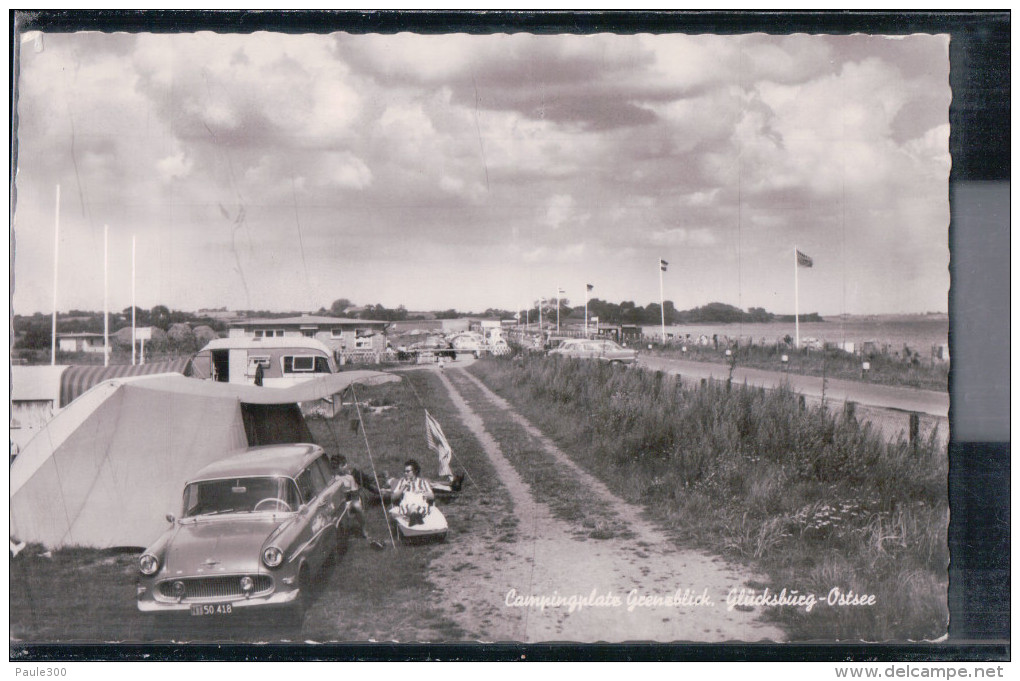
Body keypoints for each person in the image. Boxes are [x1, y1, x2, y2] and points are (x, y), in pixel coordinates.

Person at [330, 454, 369, 538]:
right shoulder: (332, 478)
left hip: (348, 501)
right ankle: (337, 534)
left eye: (345, 464)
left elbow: (354, 493)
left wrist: (349, 502)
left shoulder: (349, 477)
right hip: (336, 502)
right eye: (343, 465)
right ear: (337, 467)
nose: (346, 466)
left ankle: (363, 529)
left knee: (357, 506)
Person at [389, 459, 434, 526]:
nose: (405, 473)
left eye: (408, 471)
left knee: (417, 507)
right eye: (404, 471)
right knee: (411, 507)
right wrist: (403, 488)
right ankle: (416, 517)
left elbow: (432, 497)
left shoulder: (423, 482)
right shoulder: (402, 482)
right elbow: (393, 498)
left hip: (420, 504)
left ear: (415, 471)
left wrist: (423, 492)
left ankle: (414, 517)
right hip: (407, 504)